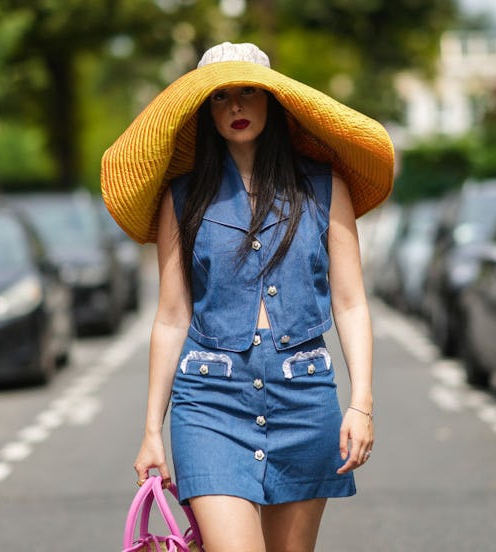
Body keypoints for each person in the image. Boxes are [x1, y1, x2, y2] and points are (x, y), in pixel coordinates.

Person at [101, 42, 394, 551]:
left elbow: (351, 303)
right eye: (220, 98)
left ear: (273, 102)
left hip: (304, 399)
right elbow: (171, 318)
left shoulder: (326, 189)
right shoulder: (182, 198)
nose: (236, 106)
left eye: (249, 92)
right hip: (209, 402)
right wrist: (152, 429)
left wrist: (362, 402)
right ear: (205, 112)